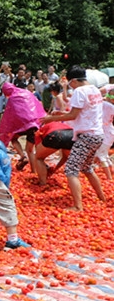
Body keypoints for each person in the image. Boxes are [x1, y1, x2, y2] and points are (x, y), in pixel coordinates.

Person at [40, 65, 107, 211]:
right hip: (97, 134)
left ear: (75, 81)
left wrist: (51, 118)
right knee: (87, 168)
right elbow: (79, 112)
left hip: (87, 136)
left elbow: (73, 116)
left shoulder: (79, 91)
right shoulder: (95, 89)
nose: (69, 86)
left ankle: (78, 206)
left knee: (71, 169)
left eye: (70, 83)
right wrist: (61, 114)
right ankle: (102, 198)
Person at [0, 82, 46, 172]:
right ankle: (33, 169)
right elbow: (37, 105)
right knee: (30, 149)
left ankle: (24, 158)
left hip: (23, 125)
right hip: (34, 123)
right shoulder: (27, 92)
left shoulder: (12, 98)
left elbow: (10, 114)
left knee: (14, 139)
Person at [32, 121, 74, 185]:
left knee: (38, 158)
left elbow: (38, 149)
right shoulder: (62, 124)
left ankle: (42, 182)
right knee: (71, 160)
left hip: (55, 134)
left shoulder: (39, 131)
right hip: (71, 135)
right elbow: (65, 157)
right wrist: (55, 169)